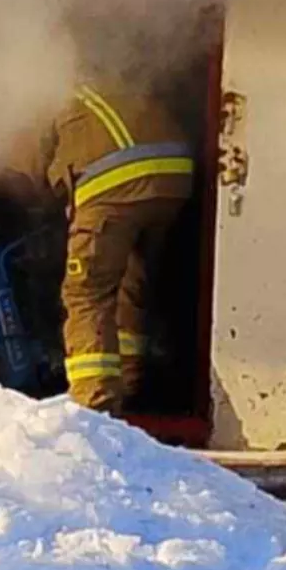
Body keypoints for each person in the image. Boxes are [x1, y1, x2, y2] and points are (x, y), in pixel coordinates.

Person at [44, 75, 197, 412]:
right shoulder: (117, 77)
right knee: (130, 280)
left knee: (86, 291)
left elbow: (28, 171)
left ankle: (94, 407)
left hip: (115, 183)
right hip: (176, 178)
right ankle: (130, 384)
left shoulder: (45, 97)